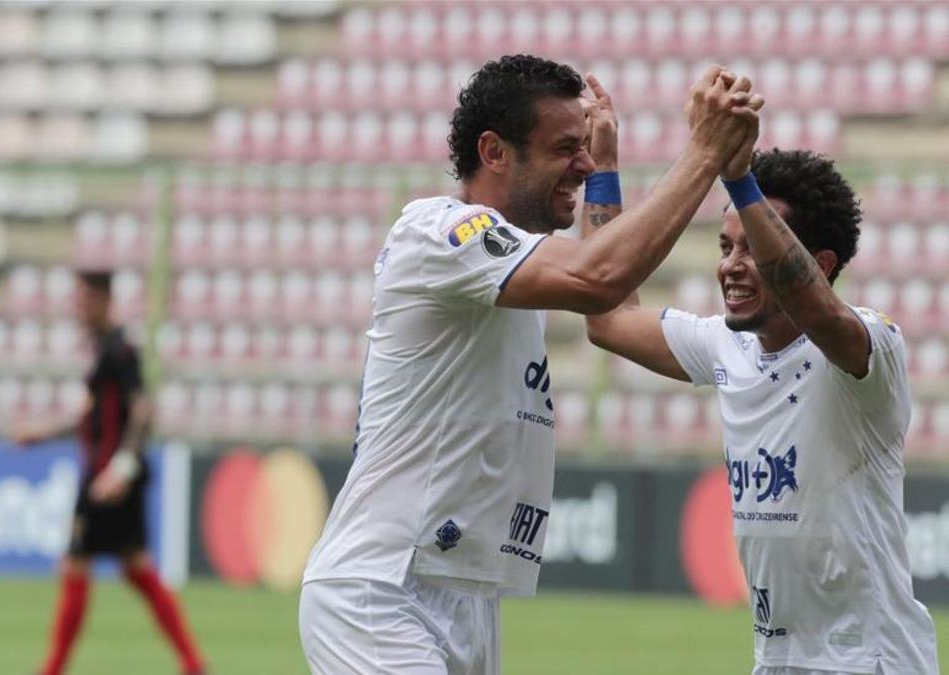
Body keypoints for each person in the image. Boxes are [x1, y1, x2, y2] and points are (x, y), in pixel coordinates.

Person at [297, 54, 763, 674]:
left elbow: (611, 307)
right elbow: (599, 276)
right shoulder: (439, 233)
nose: (585, 162)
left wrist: (607, 175)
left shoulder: (513, 266)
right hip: (381, 588)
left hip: (465, 592)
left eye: (586, 148)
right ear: (494, 152)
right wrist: (704, 154)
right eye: (565, 148)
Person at [583, 139, 940, 673]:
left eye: (753, 249)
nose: (732, 266)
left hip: (869, 660)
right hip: (777, 660)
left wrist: (739, 179)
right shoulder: (726, 344)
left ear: (819, 264)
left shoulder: (868, 347)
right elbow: (605, 316)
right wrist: (604, 168)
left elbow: (818, 311)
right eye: (726, 247)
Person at [14, 270, 205, 675]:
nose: (77, 308)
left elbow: (142, 410)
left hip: (109, 479)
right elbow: (91, 418)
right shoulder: (103, 350)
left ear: (103, 300)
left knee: (77, 564)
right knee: (136, 569)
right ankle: (192, 662)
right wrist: (42, 434)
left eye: (84, 299)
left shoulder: (120, 350)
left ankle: (52, 669)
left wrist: (121, 468)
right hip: (106, 476)